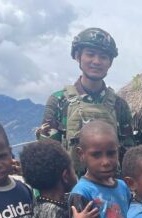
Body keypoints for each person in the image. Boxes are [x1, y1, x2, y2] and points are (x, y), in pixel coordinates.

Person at [36, 27, 135, 176]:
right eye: (90, 54)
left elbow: (128, 155)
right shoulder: (59, 100)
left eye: (103, 57)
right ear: (78, 56)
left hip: (112, 188)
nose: (96, 61)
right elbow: (47, 155)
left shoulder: (119, 105)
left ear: (110, 62)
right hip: (70, 190)